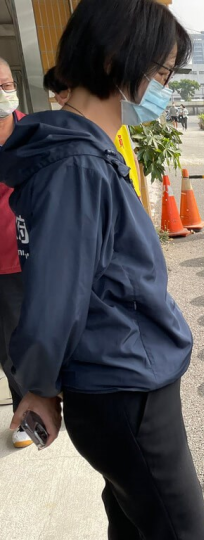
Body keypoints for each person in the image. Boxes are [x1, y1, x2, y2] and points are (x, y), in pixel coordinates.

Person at [0, 1, 204, 538]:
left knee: (135, 521)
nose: (163, 87)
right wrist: (37, 387)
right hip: (125, 387)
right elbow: (54, 300)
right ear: (117, 60)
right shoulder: (76, 165)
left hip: (120, 382)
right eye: (161, 72)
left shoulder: (79, 153)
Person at [0, 56, 31, 449]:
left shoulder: (35, 133)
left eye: (5, 84)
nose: (3, 92)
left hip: (27, 258)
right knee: (7, 347)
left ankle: (40, 403)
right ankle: (25, 406)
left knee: (32, 336)